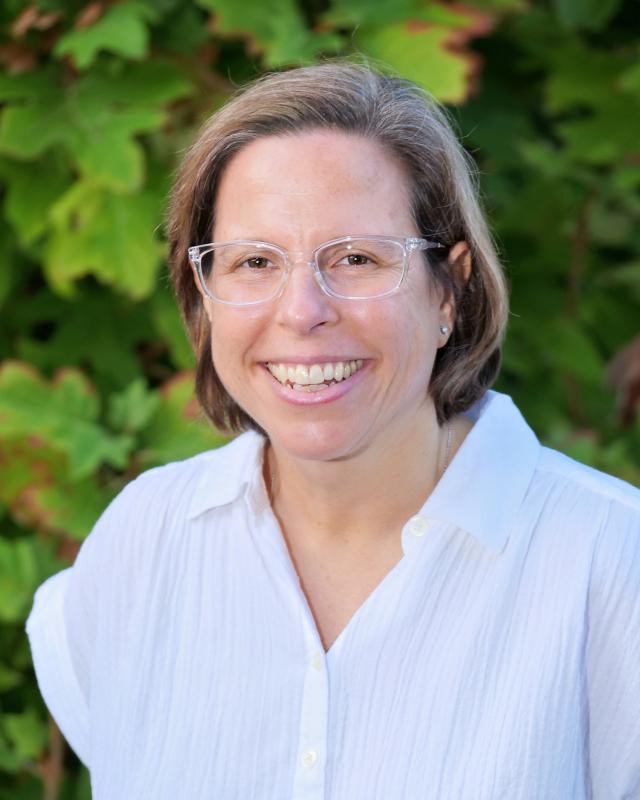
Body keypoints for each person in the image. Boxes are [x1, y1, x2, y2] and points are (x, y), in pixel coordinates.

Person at [27, 62, 640, 799]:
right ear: (205, 295)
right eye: (254, 261)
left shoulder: (612, 568)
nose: (301, 311)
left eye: (354, 258)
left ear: (451, 289)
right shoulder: (140, 547)